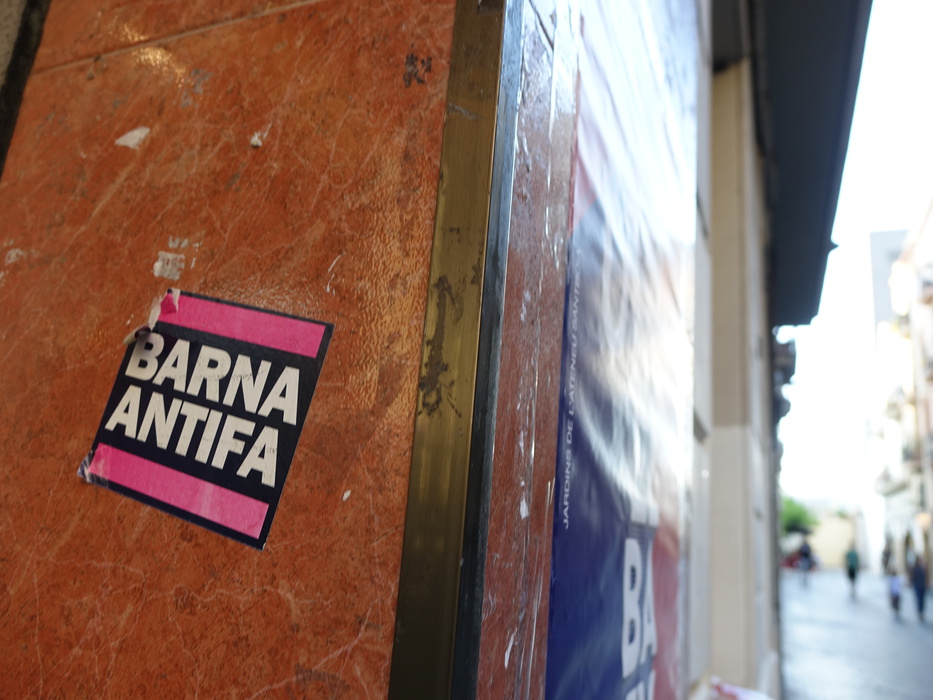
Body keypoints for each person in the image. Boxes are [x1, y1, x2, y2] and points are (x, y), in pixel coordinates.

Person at [911, 557, 928, 622]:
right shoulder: (915, 568)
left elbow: (926, 576)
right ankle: (919, 612)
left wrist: (927, 583)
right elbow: (912, 577)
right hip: (917, 586)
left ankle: (921, 611)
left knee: (922, 599)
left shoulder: (923, 568)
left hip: (922, 586)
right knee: (919, 599)